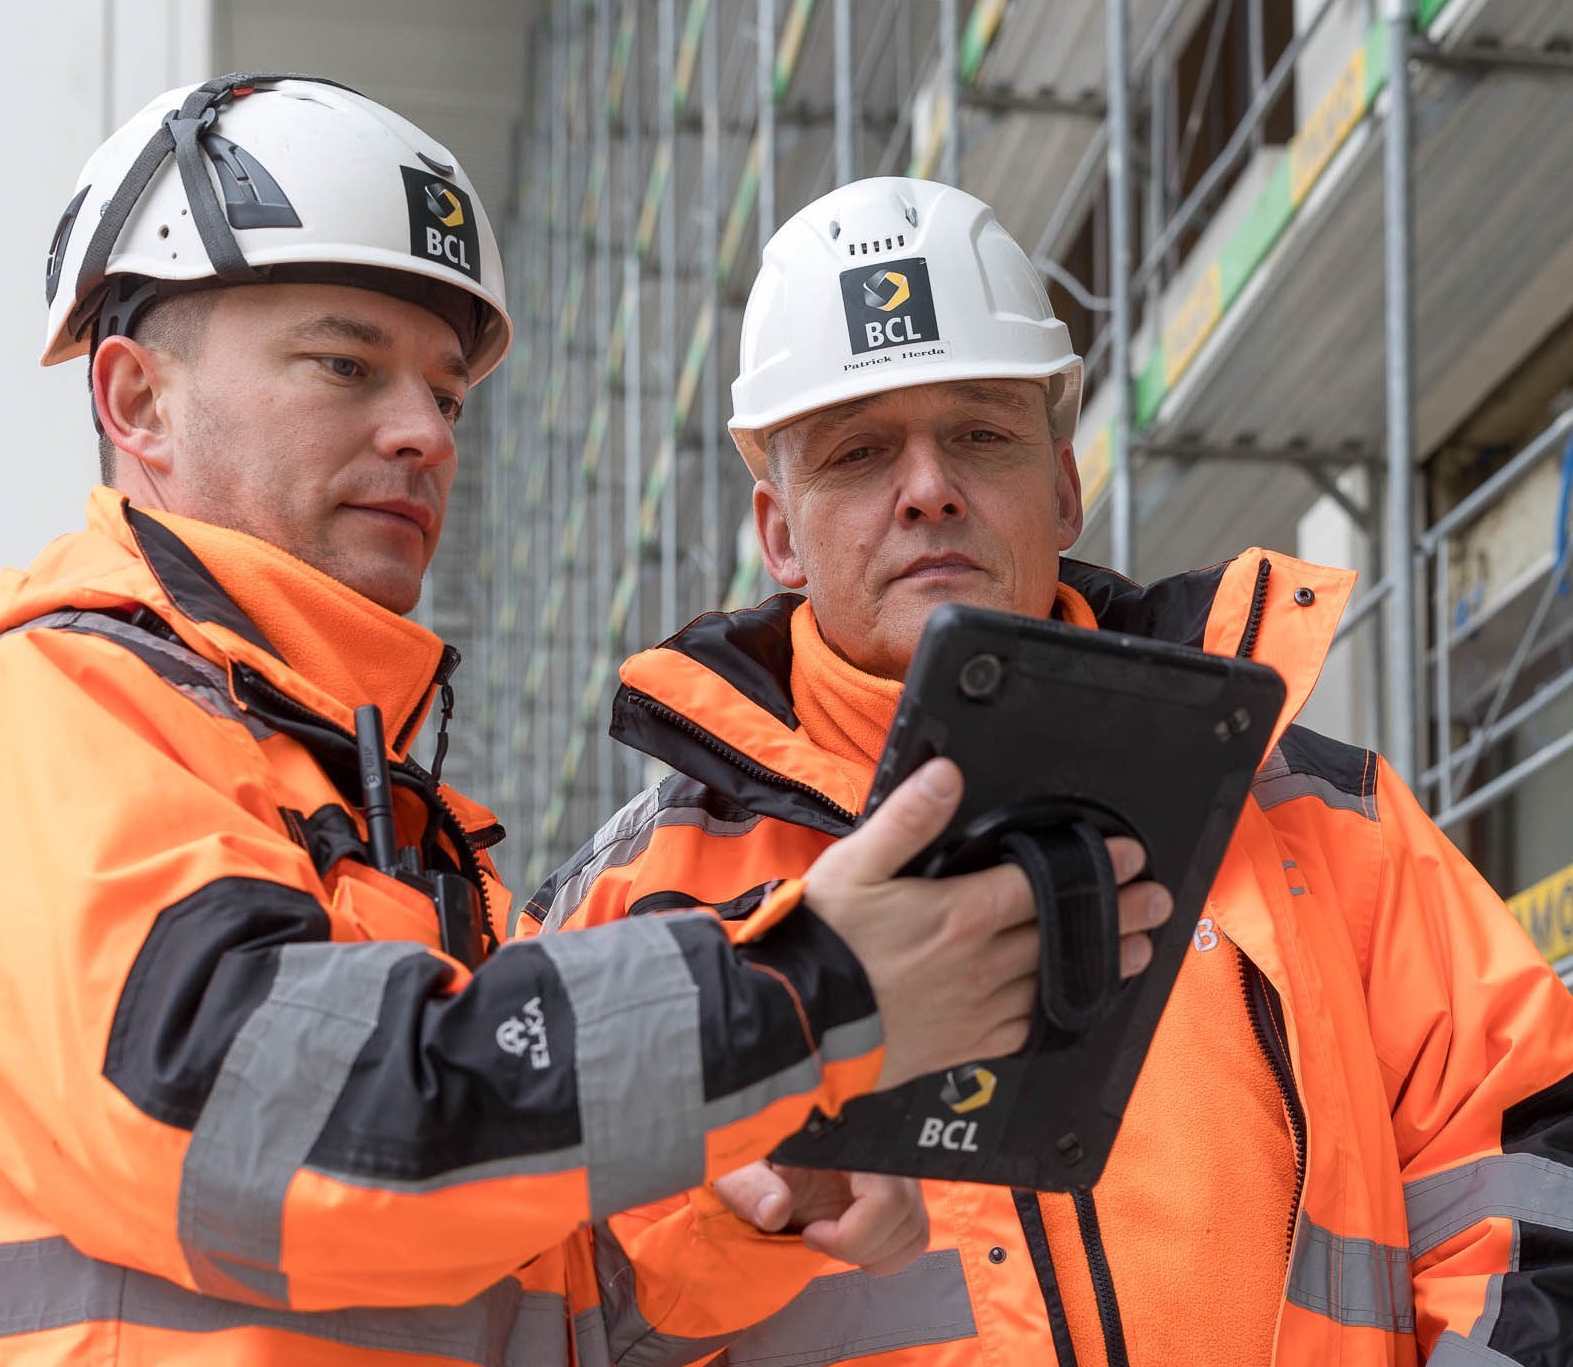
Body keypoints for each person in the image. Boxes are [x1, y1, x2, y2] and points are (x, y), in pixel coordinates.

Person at [0, 86, 1172, 1365]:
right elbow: (271, 1121)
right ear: (136, 398)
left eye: (448, 392)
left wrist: (748, 1209)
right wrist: (805, 991)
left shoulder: (366, 801)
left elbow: (504, 1297)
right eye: (345, 364)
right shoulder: (53, 715)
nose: (423, 432)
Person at [524, 176, 1573, 1367]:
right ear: (779, 532)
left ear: (1063, 483)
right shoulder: (620, 910)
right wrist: (735, 1217)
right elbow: (546, 1307)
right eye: (860, 452)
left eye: (978, 432)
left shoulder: (1316, 821)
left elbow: (1535, 1165)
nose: (926, 487)